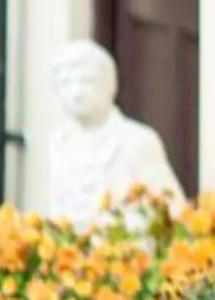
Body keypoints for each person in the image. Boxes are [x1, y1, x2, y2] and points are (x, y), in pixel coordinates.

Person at [42, 40, 183, 219]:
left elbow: (173, 210)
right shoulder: (60, 144)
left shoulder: (137, 141)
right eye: (66, 83)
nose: (76, 93)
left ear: (109, 85)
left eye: (87, 81)